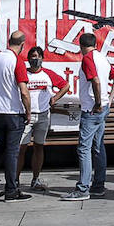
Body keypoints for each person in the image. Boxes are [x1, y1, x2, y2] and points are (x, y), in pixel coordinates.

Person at [62, 33, 114, 200]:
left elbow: (95, 80)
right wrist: (108, 99)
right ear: (96, 43)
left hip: (92, 110)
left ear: (80, 46)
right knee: (98, 147)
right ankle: (98, 185)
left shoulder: (88, 58)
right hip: (102, 108)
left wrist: (97, 102)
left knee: (84, 148)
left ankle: (82, 188)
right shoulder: (102, 58)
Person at [0, 32, 34, 202]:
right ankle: (11, 189)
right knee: (12, 153)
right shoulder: (17, 61)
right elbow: (24, 91)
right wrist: (28, 112)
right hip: (14, 112)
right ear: (22, 44)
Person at [19, 46, 69, 192]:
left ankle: (35, 179)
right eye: (33, 56)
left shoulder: (48, 74)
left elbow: (65, 85)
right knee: (20, 149)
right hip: (26, 116)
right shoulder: (23, 73)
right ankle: (15, 180)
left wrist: (55, 98)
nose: (35, 59)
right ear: (28, 59)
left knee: (39, 146)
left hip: (43, 115)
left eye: (38, 56)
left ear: (42, 58)